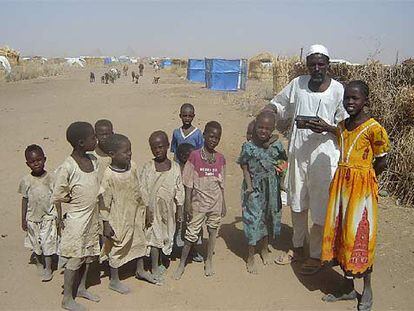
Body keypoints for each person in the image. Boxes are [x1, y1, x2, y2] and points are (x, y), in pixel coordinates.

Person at [307, 81, 389, 311]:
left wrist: (363, 177)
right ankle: (347, 288)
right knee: (342, 234)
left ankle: (368, 290)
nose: (350, 103)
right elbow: (337, 132)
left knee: (361, 236)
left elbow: (381, 160)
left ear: (366, 101)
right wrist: (325, 127)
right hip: (341, 187)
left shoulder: (374, 128)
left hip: (361, 191)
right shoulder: (343, 126)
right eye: (347, 99)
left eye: (355, 99)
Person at [268, 44, 347, 275]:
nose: (316, 68)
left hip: (324, 159)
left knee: (321, 208)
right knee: (297, 202)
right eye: (312, 64)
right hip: (298, 154)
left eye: (321, 64)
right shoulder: (298, 84)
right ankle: (297, 248)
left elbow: (346, 128)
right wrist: (268, 111)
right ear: (307, 66)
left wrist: (327, 127)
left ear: (328, 65)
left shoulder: (338, 91)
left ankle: (315, 254)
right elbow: (279, 103)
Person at [99, 134, 158, 294]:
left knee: (140, 240)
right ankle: (114, 280)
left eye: (130, 150)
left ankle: (140, 270)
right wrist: (105, 223)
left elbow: (138, 189)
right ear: (112, 154)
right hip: (119, 217)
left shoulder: (132, 166)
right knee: (118, 246)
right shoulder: (109, 175)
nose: (129, 154)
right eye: (125, 152)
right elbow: (104, 202)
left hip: (136, 213)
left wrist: (145, 210)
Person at [52, 122, 101, 311]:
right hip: (77, 220)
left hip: (92, 217)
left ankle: (81, 288)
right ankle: (67, 299)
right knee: (74, 258)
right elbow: (58, 194)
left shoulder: (94, 161)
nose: (95, 140)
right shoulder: (68, 166)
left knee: (89, 255)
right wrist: (71, 198)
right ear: (81, 143)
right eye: (92, 138)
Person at [174, 121, 226, 280]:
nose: (213, 140)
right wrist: (188, 203)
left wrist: (223, 204)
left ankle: (208, 260)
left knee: (212, 231)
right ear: (203, 135)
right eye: (210, 136)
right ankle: (182, 264)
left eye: (217, 138)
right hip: (198, 204)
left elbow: (221, 183)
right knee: (190, 236)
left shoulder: (220, 158)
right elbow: (188, 182)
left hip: (215, 203)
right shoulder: (195, 156)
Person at [237, 112, 288, 274]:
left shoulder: (276, 146)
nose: (263, 131)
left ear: (272, 129)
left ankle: (264, 249)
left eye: (267, 128)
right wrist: (250, 186)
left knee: (267, 218)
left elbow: (283, 160)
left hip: (271, 189)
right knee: (253, 220)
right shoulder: (249, 147)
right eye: (260, 127)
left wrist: (281, 169)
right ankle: (251, 255)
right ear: (255, 127)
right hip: (254, 189)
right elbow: (244, 166)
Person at [139, 131, 185, 283]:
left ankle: (161, 261)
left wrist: (179, 208)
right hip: (153, 211)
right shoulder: (148, 167)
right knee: (154, 238)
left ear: (167, 146)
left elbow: (179, 189)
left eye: (160, 147)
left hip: (169, 210)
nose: (157, 150)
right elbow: (143, 189)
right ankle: (153, 267)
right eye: (153, 148)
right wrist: (146, 209)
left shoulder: (175, 167)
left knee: (166, 234)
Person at [19, 144, 58, 282]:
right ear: (27, 163)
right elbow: (24, 200)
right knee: (36, 243)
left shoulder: (52, 178)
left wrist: (58, 217)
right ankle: (39, 262)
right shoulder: (26, 180)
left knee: (48, 243)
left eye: (39, 160)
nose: (36, 163)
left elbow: (56, 198)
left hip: (48, 217)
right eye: (32, 161)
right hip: (32, 218)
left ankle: (48, 267)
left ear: (44, 159)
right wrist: (23, 219)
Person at [173, 143, 204, 263]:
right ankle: (174, 250)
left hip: (194, 204)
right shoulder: (176, 169)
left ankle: (193, 250)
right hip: (178, 205)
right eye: (187, 155)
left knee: (193, 227)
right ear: (181, 155)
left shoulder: (196, 168)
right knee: (177, 227)